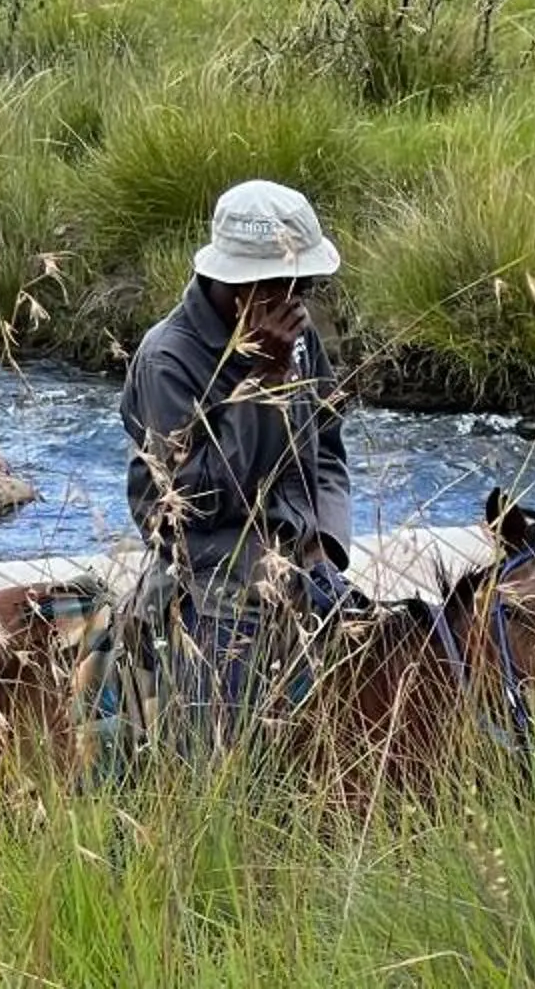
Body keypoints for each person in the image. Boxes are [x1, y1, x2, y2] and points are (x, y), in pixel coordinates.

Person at [112, 179, 353, 745]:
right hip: (209, 576)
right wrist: (260, 383)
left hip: (303, 560)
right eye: (288, 284)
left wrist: (327, 542)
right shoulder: (167, 359)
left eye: (306, 284)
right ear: (241, 284)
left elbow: (328, 443)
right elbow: (195, 502)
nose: (300, 298)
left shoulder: (297, 335)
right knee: (226, 739)